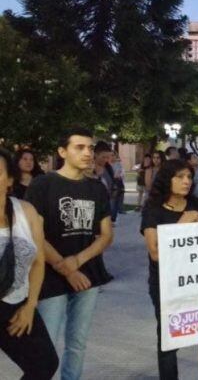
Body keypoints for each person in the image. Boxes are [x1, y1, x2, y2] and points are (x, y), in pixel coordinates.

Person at [25, 128, 114, 380]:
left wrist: (77, 262)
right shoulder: (43, 184)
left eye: (90, 148)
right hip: (50, 277)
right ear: (62, 151)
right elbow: (35, 234)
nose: (87, 153)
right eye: (80, 147)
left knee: (77, 343)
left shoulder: (96, 188)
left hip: (88, 276)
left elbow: (106, 235)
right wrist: (66, 268)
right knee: (47, 345)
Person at [140, 159, 198, 379]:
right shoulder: (153, 209)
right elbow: (155, 252)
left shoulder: (195, 204)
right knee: (170, 339)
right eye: (180, 177)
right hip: (167, 285)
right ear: (167, 179)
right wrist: (183, 224)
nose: (186, 181)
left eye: (189, 176)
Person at [0, 148, 59, 379]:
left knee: (44, 364)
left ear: (10, 180)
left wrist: (30, 306)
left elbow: (38, 263)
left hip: (17, 305)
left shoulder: (26, 212)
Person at [94, 142, 119, 224]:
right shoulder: (88, 169)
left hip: (105, 208)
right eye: (103, 157)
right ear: (95, 154)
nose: (106, 160)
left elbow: (111, 184)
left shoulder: (108, 168)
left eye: (107, 157)